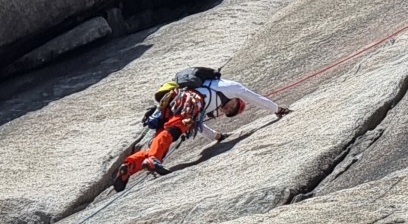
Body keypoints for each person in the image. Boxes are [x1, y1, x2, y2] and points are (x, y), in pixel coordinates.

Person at [112, 69, 291, 190]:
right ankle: (152, 160)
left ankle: (129, 167)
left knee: (161, 144)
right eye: (233, 107)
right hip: (188, 100)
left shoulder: (210, 102)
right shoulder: (232, 88)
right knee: (174, 130)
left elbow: (198, 125)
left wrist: (216, 136)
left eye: (230, 113)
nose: (229, 110)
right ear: (237, 100)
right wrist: (277, 109)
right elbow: (255, 98)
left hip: (175, 101)